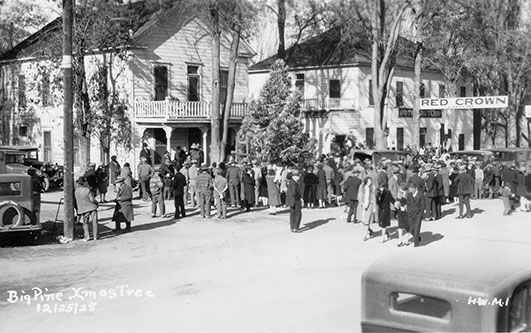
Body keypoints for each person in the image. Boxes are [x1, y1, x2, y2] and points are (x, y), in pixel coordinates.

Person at [74, 176, 99, 241]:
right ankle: (95, 236)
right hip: (92, 207)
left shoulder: (76, 192)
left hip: (84, 208)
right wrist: (97, 203)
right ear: (84, 183)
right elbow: (92, 199)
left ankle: (87, 236)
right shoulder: (87, 190)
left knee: (85, 223)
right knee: (95, 222)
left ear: (78, 184)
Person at [406, 182, 425, 247]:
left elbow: (423, 205)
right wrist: (408, 212)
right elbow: (408, 204)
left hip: (418, 214)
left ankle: (416, 245)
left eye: (411, 190)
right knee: (411, 229)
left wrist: (421, 214)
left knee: (416, 229)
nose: (410, 191)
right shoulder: (409, 195)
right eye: (410, 190)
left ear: (415, 189)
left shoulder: (421, 195)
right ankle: (417, 238)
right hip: (411, 214)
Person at [359, 177, 377, 241]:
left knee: (367, 221)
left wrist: (374, 207)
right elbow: (359, 196)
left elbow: (374, 197)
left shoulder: (372, 188)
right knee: (363, 221)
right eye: (369, 181)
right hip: (363, 205)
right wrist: (362, 203)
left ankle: (365, 235)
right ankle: (370, 230)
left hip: (370, 205)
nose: (370, 183)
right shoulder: (362, 188)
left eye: (371, 181)